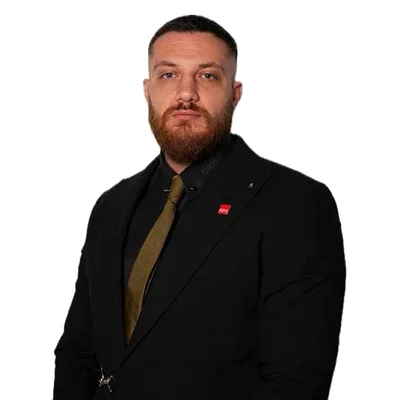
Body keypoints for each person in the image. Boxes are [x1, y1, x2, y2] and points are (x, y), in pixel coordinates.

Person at [53, 14, 346, 400]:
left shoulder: (296, 205)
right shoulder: (111, 206)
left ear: (235, 93)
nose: (186, 93)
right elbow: (78, 352)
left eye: (207, 76)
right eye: (168, 75)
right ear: (147, 90)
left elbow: (294, 383)